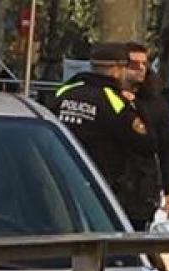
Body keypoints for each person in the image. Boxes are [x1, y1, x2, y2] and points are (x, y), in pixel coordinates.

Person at [52, 42, 152, 226]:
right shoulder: (115, 100)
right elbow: (145, 143)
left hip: (58, 185)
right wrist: (136, 108)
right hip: (100, 189)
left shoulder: (65, 92)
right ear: (117, 69)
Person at [124, 41, 169, 230]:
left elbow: (168, 149)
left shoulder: (155, 102)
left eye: (144, 64)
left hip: (141, 189)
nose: (140, 69)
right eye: (133, 64)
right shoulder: (108, 95)